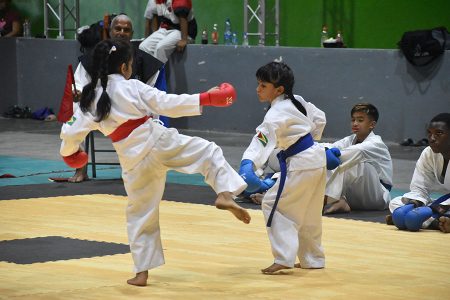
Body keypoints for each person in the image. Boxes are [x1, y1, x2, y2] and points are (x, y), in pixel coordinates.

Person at [59, 38, 251, 286]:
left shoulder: (89, 99)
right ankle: (224, 193)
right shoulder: (133, 87)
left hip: (132, 159)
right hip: (158, 141)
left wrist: (70, 153)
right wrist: (206, 98)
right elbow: (167, 104)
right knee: (208, 152)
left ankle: (142, 272)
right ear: (126, 67)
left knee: (140, 213)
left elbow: (70, 131)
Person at [238, 61, 327, 274]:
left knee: (273, 205)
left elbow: (261, 139)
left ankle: (283, 258)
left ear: (279, 89)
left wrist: (248, 162)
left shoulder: (275, 113)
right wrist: (312, 139)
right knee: (309, 212)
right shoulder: (298, 101)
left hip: (300, 163)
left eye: (263, 86)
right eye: (258, 84)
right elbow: (320, 118)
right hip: (316, 158)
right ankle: (313, 259)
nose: (258, 89)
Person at [69, 14, 163, 183]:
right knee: (77, 110)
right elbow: (78, 83)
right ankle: (80, 167)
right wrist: (78, 93)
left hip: (130, 113)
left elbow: (151, 94)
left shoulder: (145, 61)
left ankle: (146, 167)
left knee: (154, 113)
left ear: (132, 34)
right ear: (110, 31)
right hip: (99, 110)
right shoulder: (94, 56)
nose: (121, 32)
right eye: (117, 28)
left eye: (126, 30)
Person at [322, 103, 393, 214]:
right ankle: (341, 202)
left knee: (356, 161)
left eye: (360, 120)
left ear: (372, 124)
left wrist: (326, 153)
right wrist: (323, 150)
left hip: (376, 197)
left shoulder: (376, 143)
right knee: (325, 158)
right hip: (354, 197)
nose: (355, 123)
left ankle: (325, 199)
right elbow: (331, 146)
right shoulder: (350, 140)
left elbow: (356, 151)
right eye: (353, 120)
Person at [387, 113, 450, 233]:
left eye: (439, 133)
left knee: (414, 215)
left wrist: (435, 208)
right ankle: (436, 223)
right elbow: (419, 189)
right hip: (443, 204)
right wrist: (412, 205)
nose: (432, 138)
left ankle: (428, 221)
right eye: (429, 133)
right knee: (396, 203)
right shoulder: (428, 153)